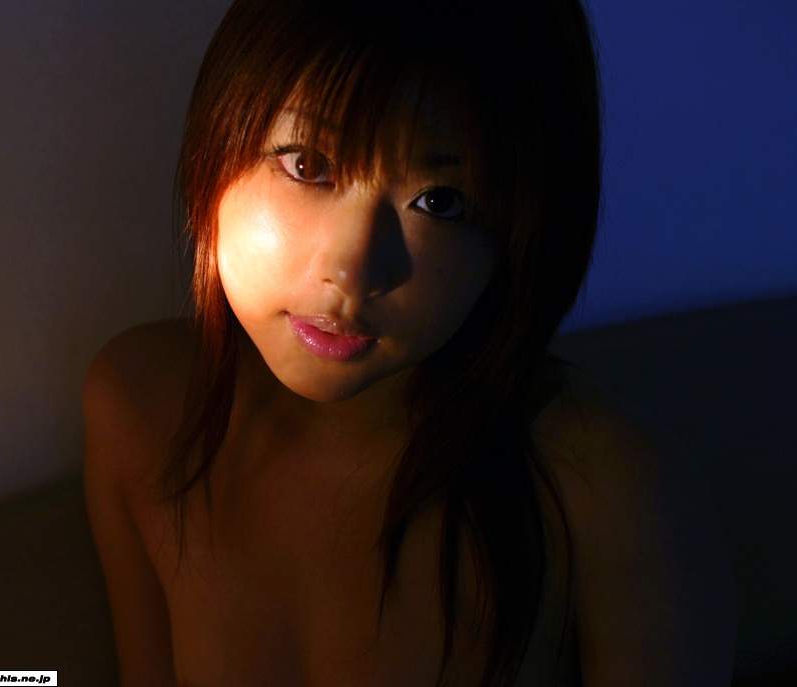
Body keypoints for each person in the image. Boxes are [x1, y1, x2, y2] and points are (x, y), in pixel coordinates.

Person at [82, 1, 737, 685]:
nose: (353, 270)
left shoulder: (602, 489)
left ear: (520, 236)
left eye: (440, 202)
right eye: (307, 164)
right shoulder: (141, 407)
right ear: (216, 137)